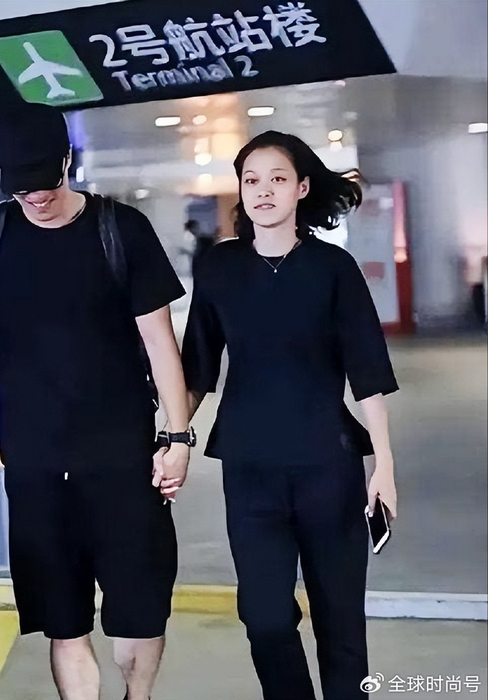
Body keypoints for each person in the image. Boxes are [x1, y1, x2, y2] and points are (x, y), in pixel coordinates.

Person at [0, 104, 195, 700]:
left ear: (67, 161)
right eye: (20, 186)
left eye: (45, 180)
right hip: (34, 459)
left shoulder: (121, 229)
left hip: (122, 454)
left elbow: (160, 341)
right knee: (63, 619)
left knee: (139, 609)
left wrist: (178, 436)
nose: (35, 196)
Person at [177, 130, 399, 700]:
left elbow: (367, 370)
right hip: (250, 470)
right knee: (265, 616)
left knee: (341, 624)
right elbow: (197, 366)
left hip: (329, 467)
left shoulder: (333, 267)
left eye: (277, 179)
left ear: (301, 188)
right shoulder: (221, 267)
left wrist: (385, 466)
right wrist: (173, 437)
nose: (263, 191)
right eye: (251, 180)